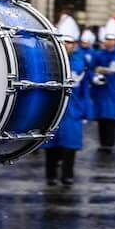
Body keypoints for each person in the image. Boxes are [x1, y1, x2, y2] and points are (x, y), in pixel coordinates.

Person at [44, 15, 90, 186]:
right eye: (64, 42)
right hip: (53, 109)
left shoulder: (80, 62)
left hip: (73, 110)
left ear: (75, 45)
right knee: (51, 146)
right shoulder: (49, 60)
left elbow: (85, 89)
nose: (66, 45)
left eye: (69, 42)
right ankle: (50, 175)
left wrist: (86, 111)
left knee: (70, 144)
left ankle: (67, 175)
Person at [89, 19, 115, 151]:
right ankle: (103, 143)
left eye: (112, 40)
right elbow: (91, 70)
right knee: (102, 118)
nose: (109, 42)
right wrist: (95, 78)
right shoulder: (97, 55)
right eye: (107, 40)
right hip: (101, 90)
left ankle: (109, 143)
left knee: (111, 117)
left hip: (114, 90)